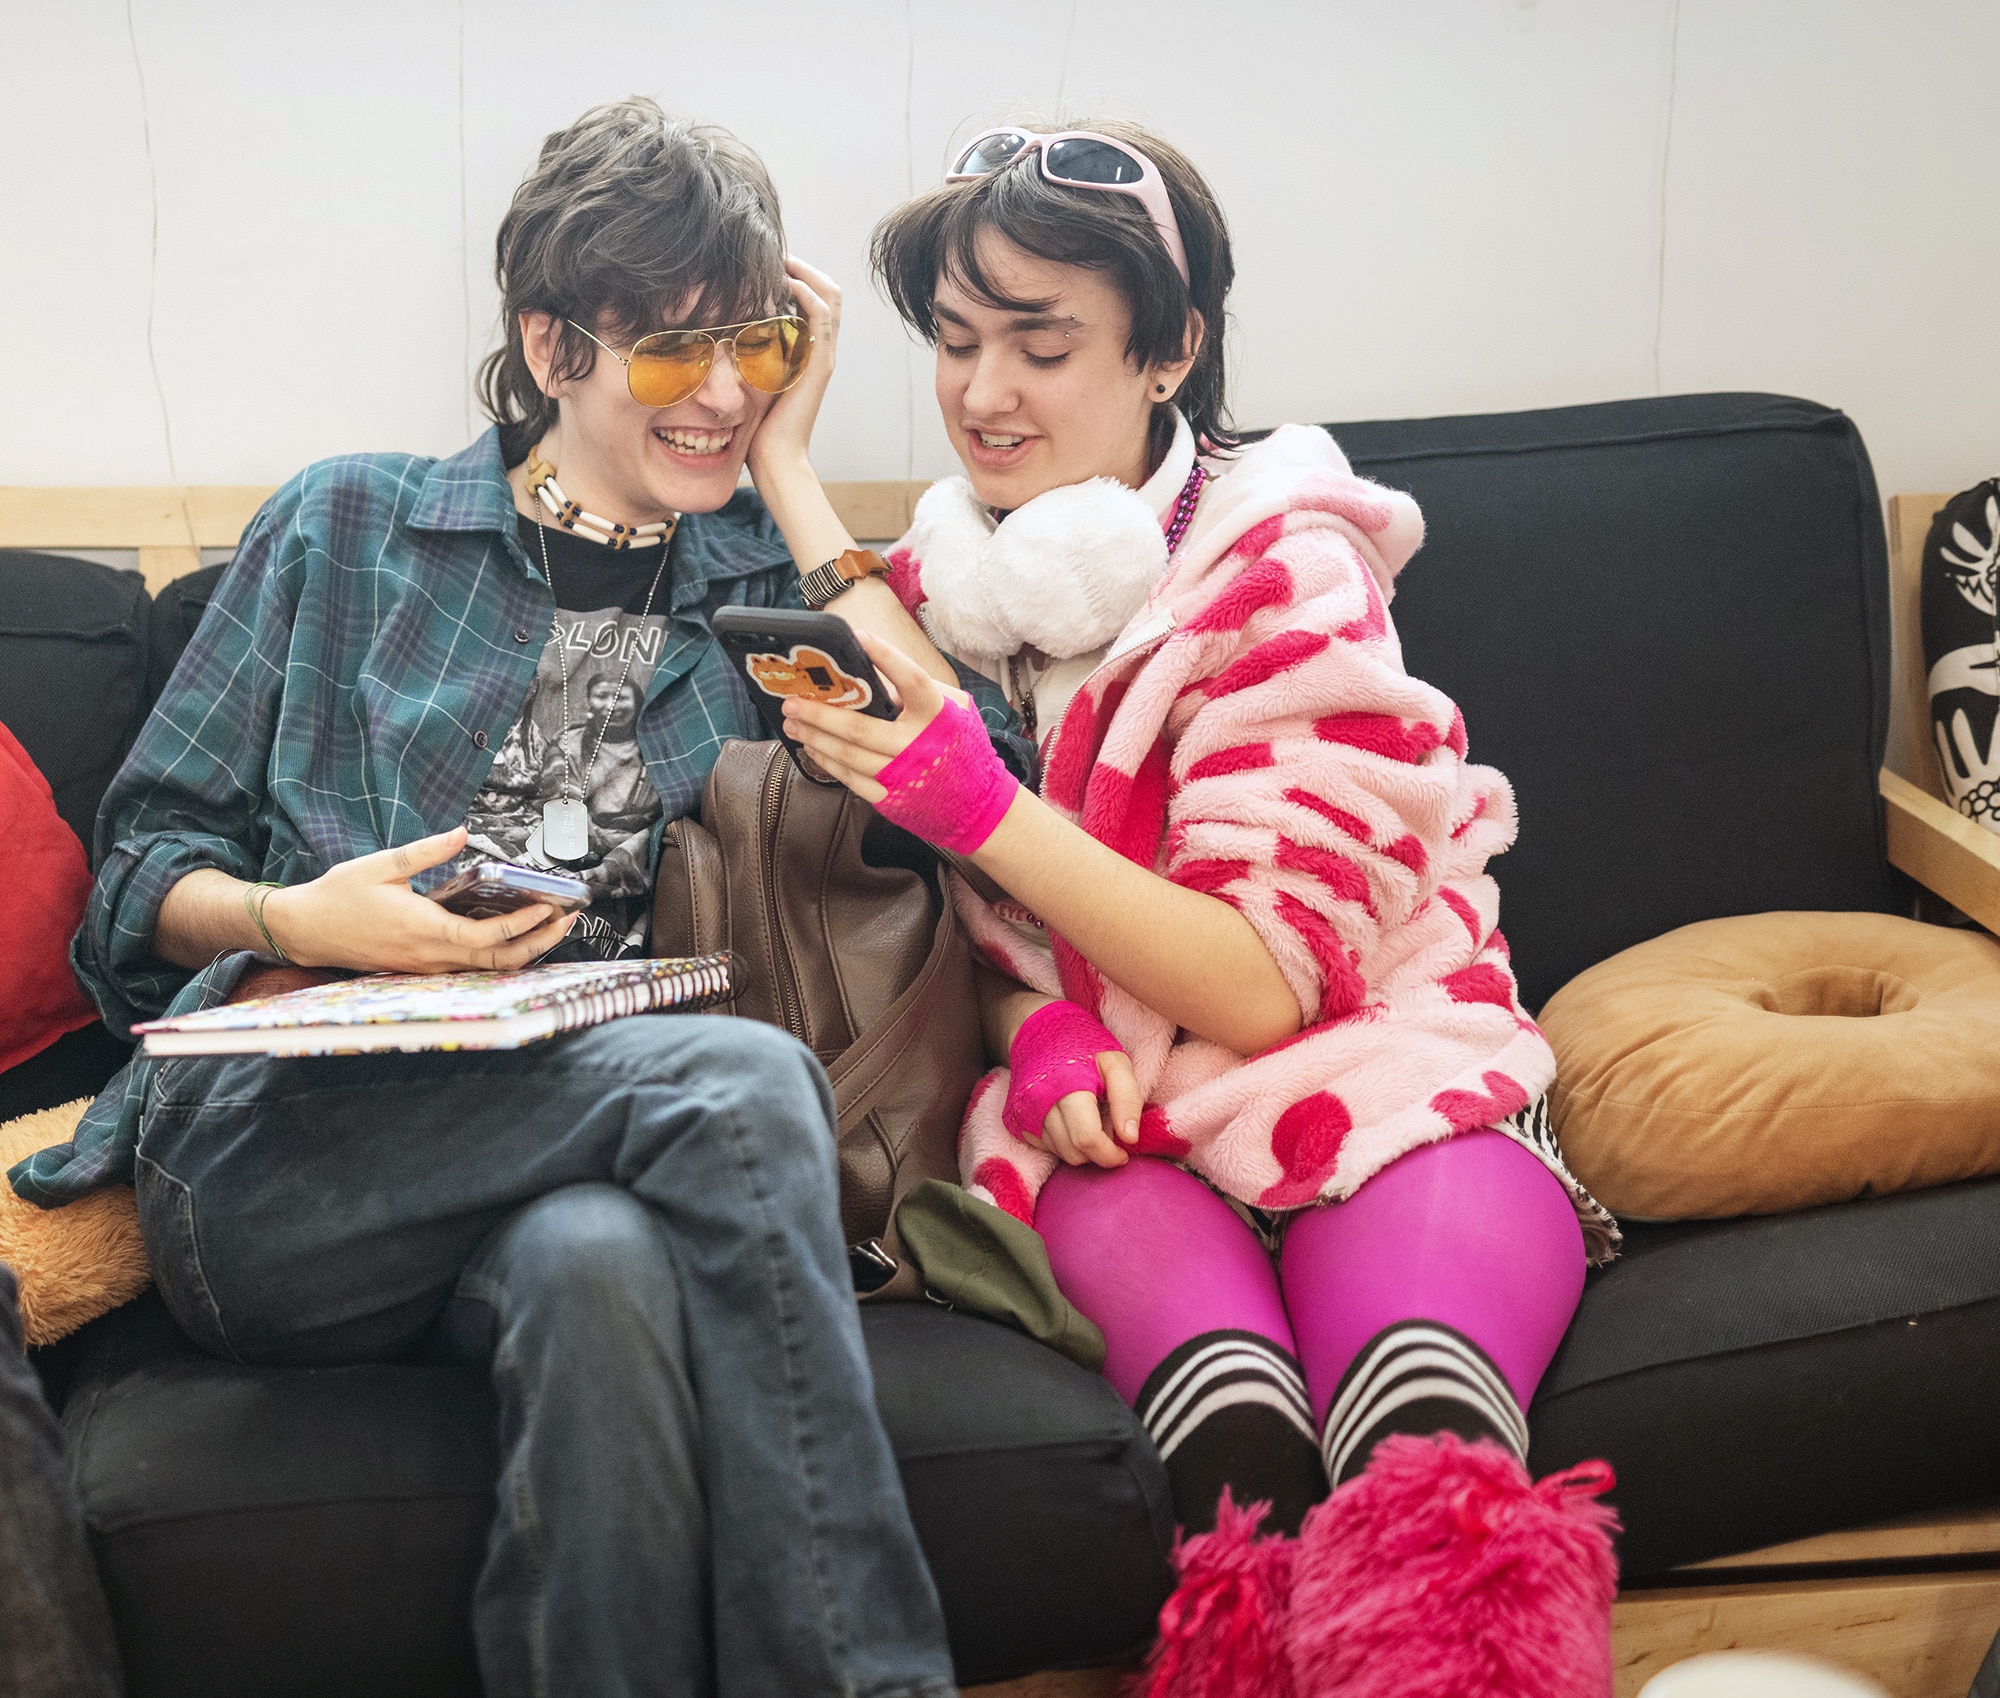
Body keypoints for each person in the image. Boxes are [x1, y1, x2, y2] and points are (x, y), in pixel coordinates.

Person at [12, 97, 1027, 1698]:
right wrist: (302, 919)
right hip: (288, 1157)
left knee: (602, 1268)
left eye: (756, 346)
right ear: (553, 348)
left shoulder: (758, 593)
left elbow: (983, 784)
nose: (721, 392)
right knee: (742, 1084)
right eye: (673, 353)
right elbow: (133, 881)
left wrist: (795, 478)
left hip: (581, 1149)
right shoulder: (348, 528)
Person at [778, 119, 1620, 1698]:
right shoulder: (981, 582)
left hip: (1371, 1081)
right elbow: (921, 724)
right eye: (954, 341)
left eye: (1041, 346)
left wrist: (984, 807)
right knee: (1234, 1469)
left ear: (1171, 351)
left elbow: (1258, 985)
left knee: (1418, 1455)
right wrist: (1034, 1029)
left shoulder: (1283, 575)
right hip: (1129, 1135)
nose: (982, 392)